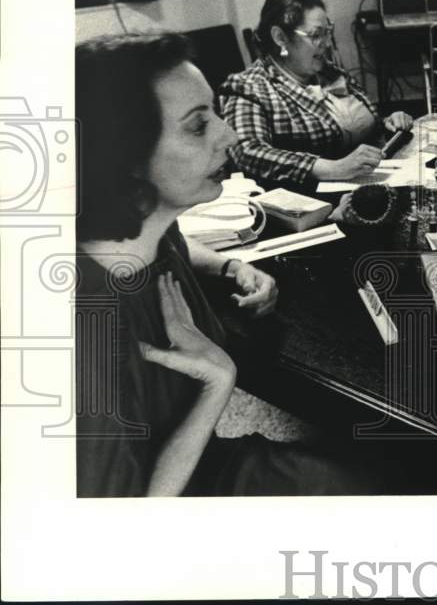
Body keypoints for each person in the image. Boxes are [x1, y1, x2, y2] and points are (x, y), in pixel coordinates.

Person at [75, 33, 381, 496]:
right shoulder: (85, 333)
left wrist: (227, 264)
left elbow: (182, 246)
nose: (231, 135)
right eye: (198, 127)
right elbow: (120, 526)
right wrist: (217, 383)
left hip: (201, 457)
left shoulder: (150, 230)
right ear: (124, 156)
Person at [219, 0, 413, 186]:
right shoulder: (249, 87)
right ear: (280, 38)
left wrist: (387, 125)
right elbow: (246, 151)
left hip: (367, 187)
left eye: (328, 32)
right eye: (315, 35)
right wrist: (332, 168)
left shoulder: (330, 73)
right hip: (305, 202)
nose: (327, 43)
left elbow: (350, 130)